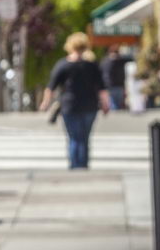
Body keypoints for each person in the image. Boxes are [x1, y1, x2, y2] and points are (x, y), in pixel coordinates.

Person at [42, 33, 111, 169]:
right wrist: (105, 104)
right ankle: (83, 165)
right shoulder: (91, 65)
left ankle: (75, 165)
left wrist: (45, 103)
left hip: (69, 106)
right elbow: (101, 88)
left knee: (74, 137)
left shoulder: (62, 65)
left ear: (69, 46)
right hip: (90, 106)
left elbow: (51, 87)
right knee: (85, 138)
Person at [101, 46, 131, 113]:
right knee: (115, 103)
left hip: (114, 85)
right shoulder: (108, 62)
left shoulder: (106, 61)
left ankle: (116, 116)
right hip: (114, 85)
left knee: (116, 103)